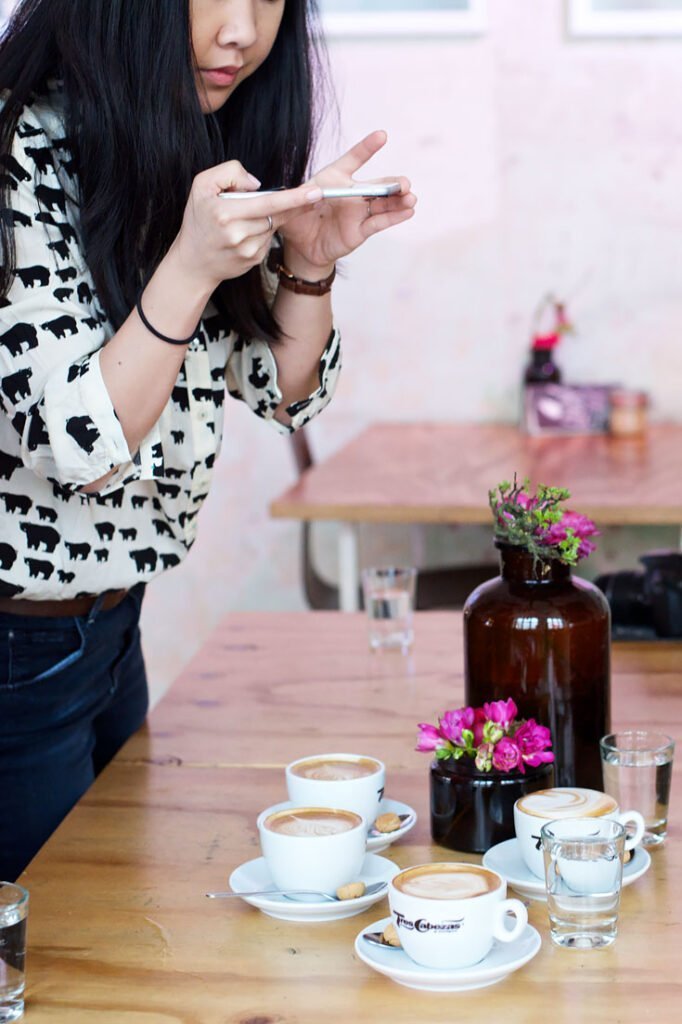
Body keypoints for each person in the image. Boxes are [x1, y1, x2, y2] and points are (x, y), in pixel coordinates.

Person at [0, 0, 416, 882]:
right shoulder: (18, 146)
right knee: (48, 963)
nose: (245, 31)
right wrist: (188, 267)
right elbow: (78, 445)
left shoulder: (179, 130)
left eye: (271, 0)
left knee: (107, 930)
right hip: (18, 644)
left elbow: (280, 393)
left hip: (111, 625)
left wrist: (311, 262)